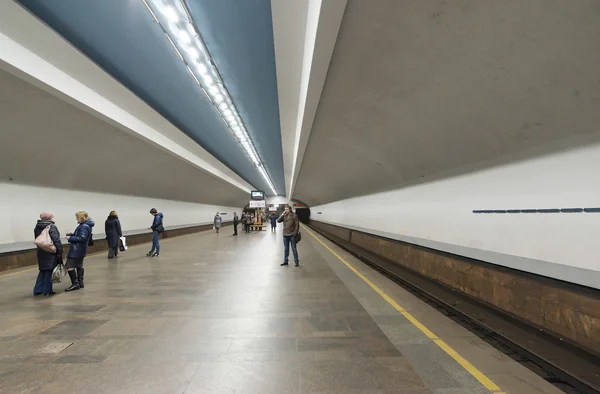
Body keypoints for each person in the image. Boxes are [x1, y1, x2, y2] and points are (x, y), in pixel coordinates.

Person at [33, 212, 63, 296]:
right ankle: (47, 290)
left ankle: (37, 289)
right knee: (49, 270)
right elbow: (56, 240)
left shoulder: (37, 226)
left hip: (41, 251)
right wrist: (60, 250)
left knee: (42, 270)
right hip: (50, 251)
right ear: (49, 218)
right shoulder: (52, 227)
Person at [65, 211, 95, 292]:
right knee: (79, 265)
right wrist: (73, 235)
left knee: (69, 266)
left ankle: (75, 284)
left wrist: (70, 238)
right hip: (81, 249)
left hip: (76, 249)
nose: (76, 219)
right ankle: (80, 283)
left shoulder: (84, 226)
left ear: (82, 218)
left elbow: (82, 238)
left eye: (77, 217)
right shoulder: (86, 225)